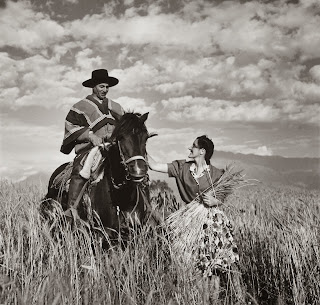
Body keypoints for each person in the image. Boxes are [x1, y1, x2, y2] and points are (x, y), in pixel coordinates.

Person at [148, 135, 245, 303]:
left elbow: (222, 198)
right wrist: (140, 145)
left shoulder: (217, 175)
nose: (189, 148)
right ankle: (194, 298)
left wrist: (215, 201)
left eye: (193, 146)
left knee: (214, 266)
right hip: (188, 222)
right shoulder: (182, 168)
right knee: (192, 264)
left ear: (202, 151)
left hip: (212, 224)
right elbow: (153, 165)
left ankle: (221, 299)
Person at [60, 69, 124, 219]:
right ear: (93, 86)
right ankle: (72, 210)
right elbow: (70, 125)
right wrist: (90, 135)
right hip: (91, 148)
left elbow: (125, 126)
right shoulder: (80, 106)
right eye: (102, 86)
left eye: (107, 87)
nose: (105, 90)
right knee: (81, 169)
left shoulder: (117, 107)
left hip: (114, 147)